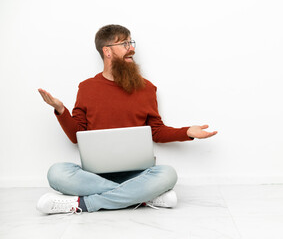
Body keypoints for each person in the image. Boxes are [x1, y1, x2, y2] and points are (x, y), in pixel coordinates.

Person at [37, 24, 217, 215]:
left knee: (167, 174)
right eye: (125, 43)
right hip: (95, 175)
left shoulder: (147, 88)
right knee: (56, 173)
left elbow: (156, 131)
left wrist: (187, 131)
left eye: (131, 42)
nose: (132, 48)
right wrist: (60, 109)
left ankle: (83, 204)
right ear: (107, 51)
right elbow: (76, 136)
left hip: (138, 174)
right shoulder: (87, 88)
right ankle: (145, 197)